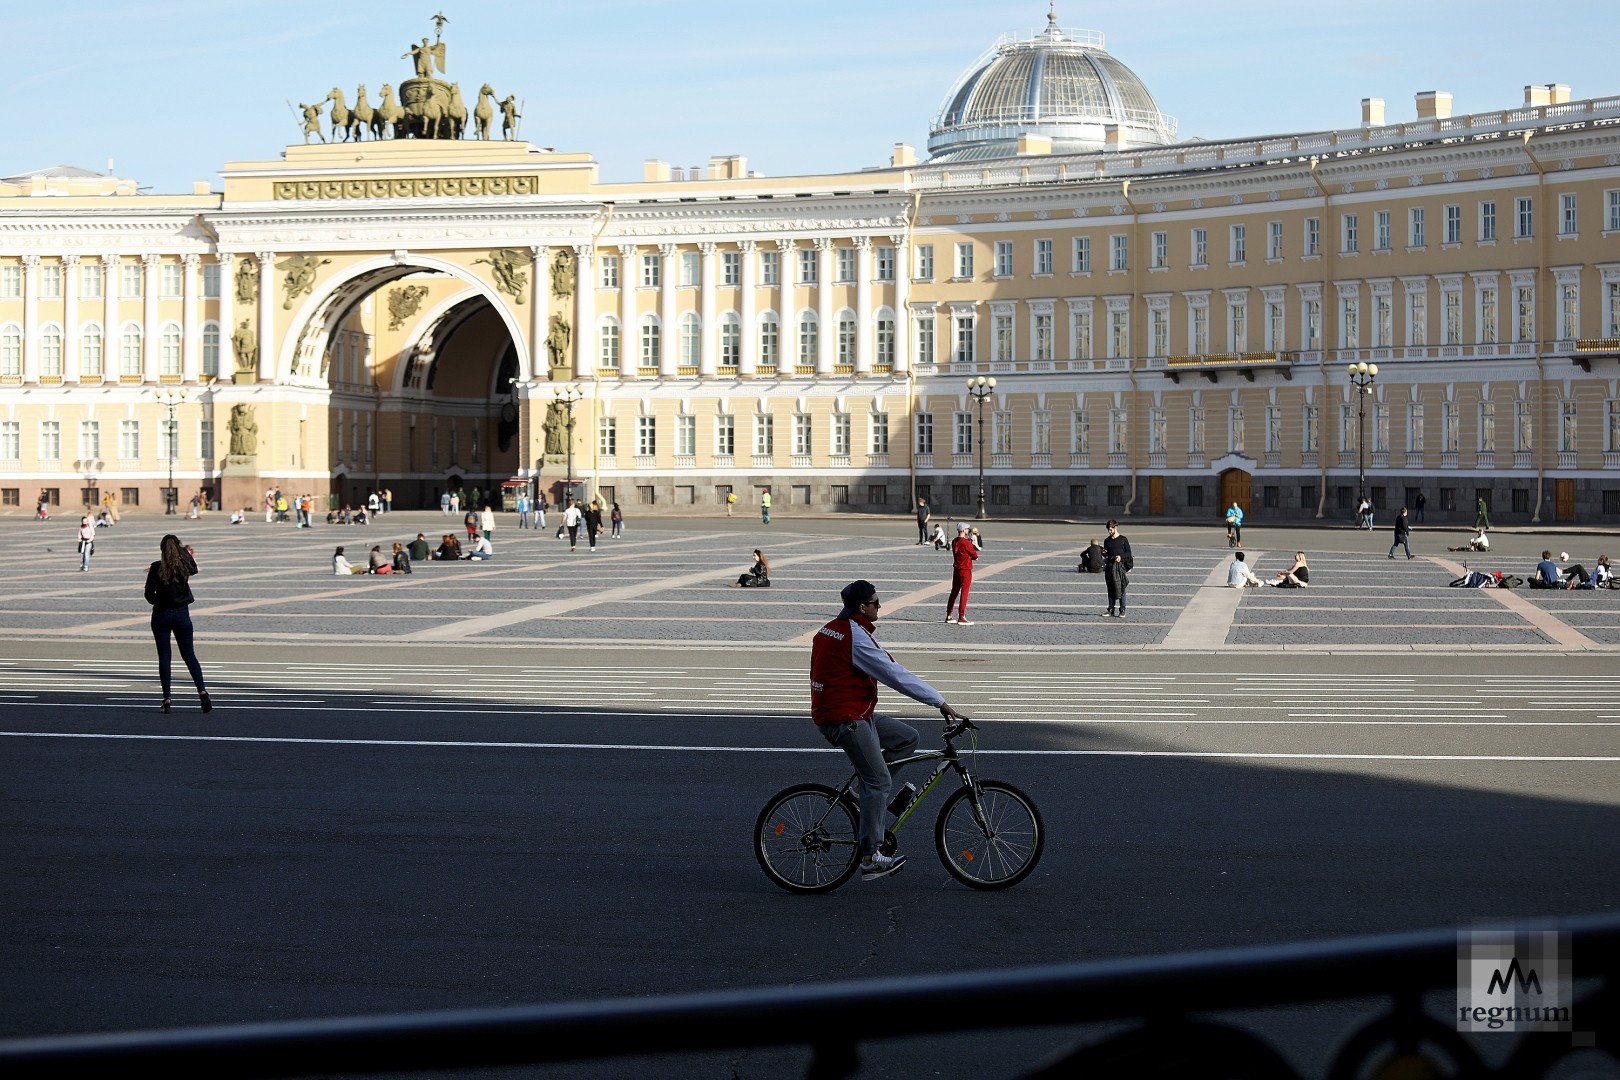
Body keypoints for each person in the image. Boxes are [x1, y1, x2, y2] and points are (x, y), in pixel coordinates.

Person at [810, 579, 967, 880]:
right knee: (880, 780)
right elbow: (893, 673)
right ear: (862, 607)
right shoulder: (854, 636)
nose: (880, 607)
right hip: (844, 717)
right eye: (876, 602)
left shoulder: (833, 627)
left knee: (907, 738)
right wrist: (939, 702)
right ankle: (869, 856)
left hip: (851, 709)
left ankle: (860, 792)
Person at [144, 534, 210, 714]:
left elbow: (149, 594)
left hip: (161, 615)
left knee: (164, 656)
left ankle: (167, 698)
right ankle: (202, 691)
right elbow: (194, 568)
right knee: (189, 655)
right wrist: (181, 550)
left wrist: (160, 601)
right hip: (182, 615)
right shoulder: (183, 568)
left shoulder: (156, 567)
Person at [945, 521, 979, 625]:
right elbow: (975, 556)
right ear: (964, 530)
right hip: (965, 570)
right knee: (964, 592)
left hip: (956, 569)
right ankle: (961, 616)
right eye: (967, 529)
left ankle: (949, 615)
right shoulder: (966, 543)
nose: (968, 531)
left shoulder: (955, 541)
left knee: (954, 592)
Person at [1102, 519, 1132, 618]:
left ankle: (1122, 609)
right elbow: (1106, 554)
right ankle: (1110, 609)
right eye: (1108, 530)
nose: (1109, 532)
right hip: (1110, 567)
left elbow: (1128, 553)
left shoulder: (1123, 539)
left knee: (1121, 587)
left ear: (1116, 527)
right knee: (1110, 588)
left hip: (1120, 567)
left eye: (1110, 529)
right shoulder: (1107, 541)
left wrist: (1121, 557)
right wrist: (1104, 553)